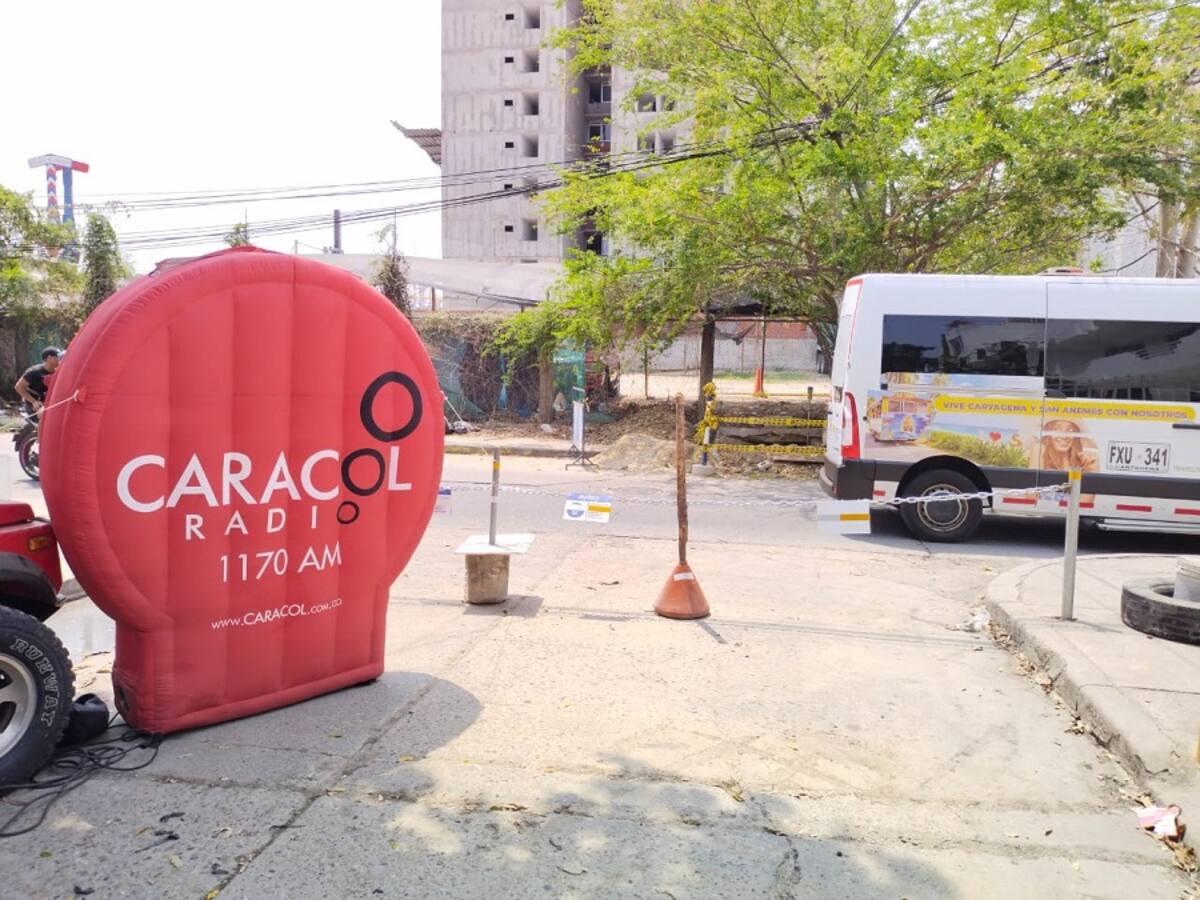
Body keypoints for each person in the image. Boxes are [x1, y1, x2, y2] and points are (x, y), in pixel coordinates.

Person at [14, 347, 62, 415]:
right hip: (34, 406)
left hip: (50, 404)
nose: (60, 359)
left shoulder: (58, 372)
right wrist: (34, 401)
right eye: (58, 357)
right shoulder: (34, 372)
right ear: (49, 358)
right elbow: (18, 387)